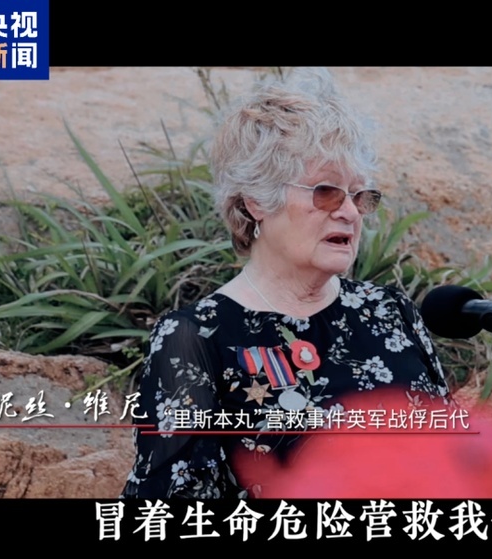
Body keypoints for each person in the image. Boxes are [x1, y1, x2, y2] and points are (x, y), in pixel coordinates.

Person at [121, 68, 454, 499]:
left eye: (360, 195)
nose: (350, 212)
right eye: (326, 191)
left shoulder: (389, 311)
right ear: (257, 200)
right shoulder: (195, 338)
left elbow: (451, 455)